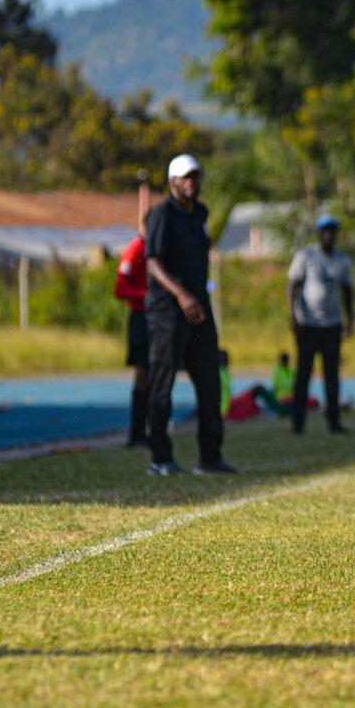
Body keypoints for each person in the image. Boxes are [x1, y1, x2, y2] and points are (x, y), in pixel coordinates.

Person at [144, 153, 232, 476]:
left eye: (195, 176)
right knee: (162, 384)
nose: (191, 182)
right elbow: (152, 262)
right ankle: (160, 458)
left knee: (210, 383)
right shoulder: (161, 215)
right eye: (185, 177)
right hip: (168, 311)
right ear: (172, 182)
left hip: (199, 309)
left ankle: (210, 457)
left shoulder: (201, 214)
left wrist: (195, 297)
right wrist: (180, 294)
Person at [288, 214, 355, 435]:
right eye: (325, 231)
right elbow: (293, 286)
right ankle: (298, 423)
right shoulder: (306, 256)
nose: (329, 235)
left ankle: (334, 422)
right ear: (318, 233)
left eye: (332, 231)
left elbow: (347, 290)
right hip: (308, 325)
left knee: (331, 376)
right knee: (304, 374)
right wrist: (294, 316)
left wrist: (350, 319)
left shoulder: (342, 260)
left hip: (332, 325)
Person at [114, 231, 150, 447]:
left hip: (158, 317)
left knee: (157, 374)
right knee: (143, 374)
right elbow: (120, 288)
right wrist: (146, 295)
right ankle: (137, 434)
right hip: (141, 318)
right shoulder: (135, 250)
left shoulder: (159, 246)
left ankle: (151, 430)